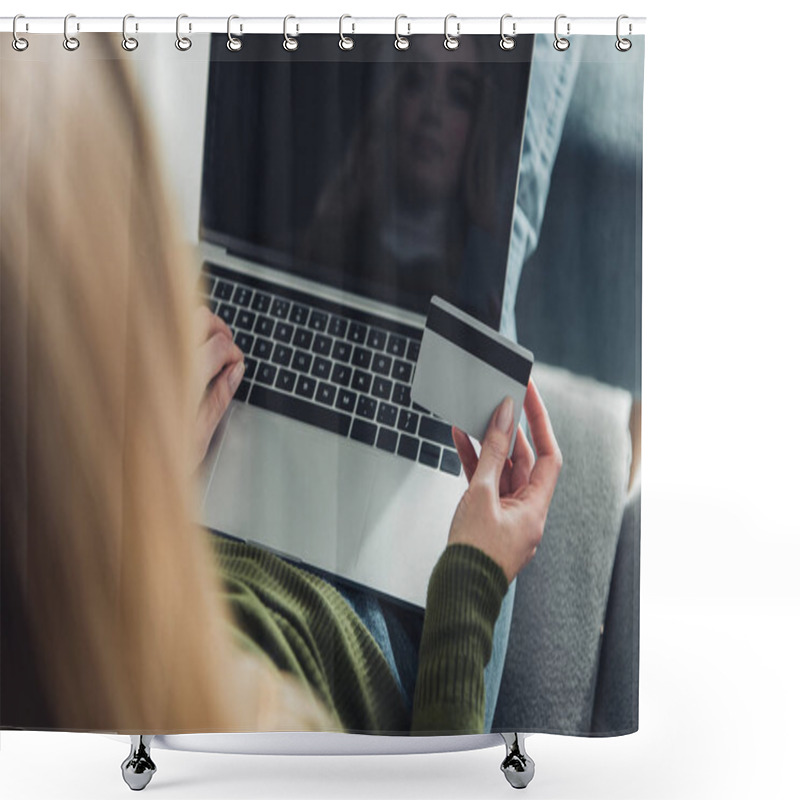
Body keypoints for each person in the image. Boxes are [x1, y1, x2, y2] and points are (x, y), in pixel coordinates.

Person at [0, 36, 561, 736]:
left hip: (179, 534)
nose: (428, 113)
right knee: (504, 248)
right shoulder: (271, 736)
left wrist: (146, 489)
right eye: (416, 84)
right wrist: (472, 575)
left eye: (457, 95)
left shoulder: (48, 648)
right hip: (356, 621)